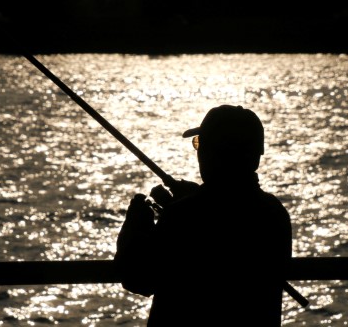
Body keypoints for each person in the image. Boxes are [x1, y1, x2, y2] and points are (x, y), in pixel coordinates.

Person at [115, 105, 292, 326]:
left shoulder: (183, 216)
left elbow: (138, 279)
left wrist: (137, 223)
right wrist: (194, 198)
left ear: (210, 152)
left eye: (200, 143)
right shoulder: (274, 213)